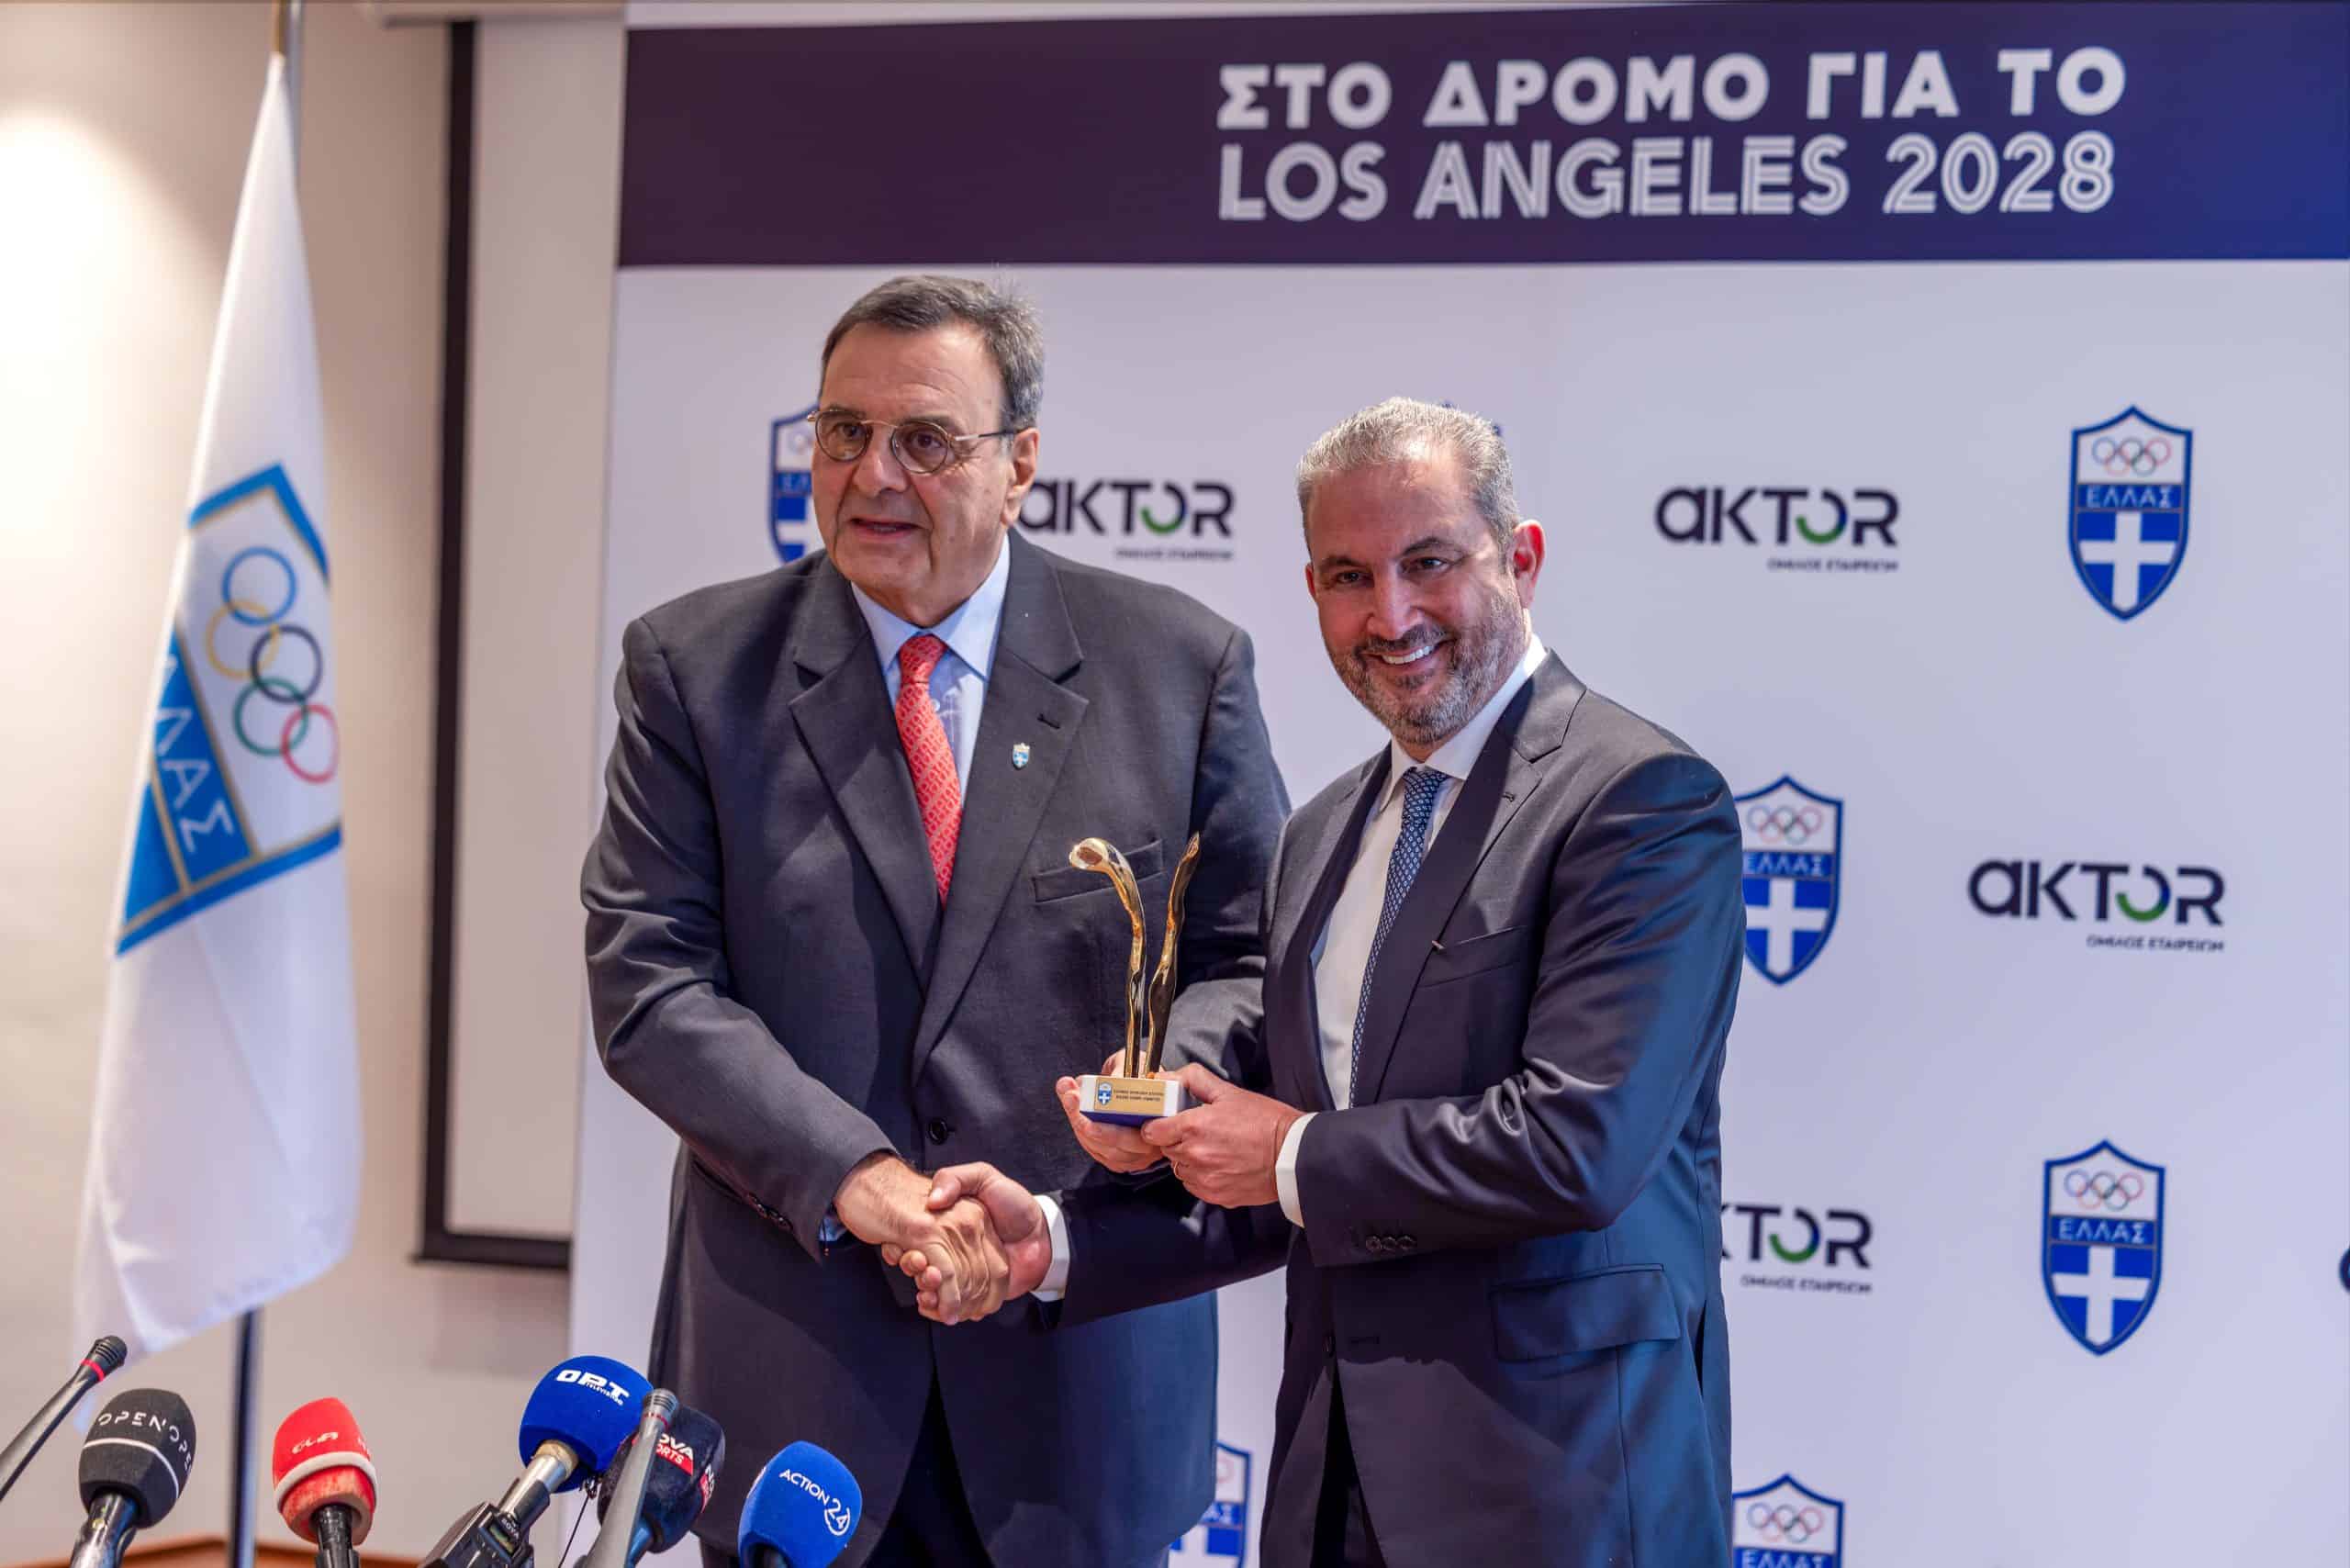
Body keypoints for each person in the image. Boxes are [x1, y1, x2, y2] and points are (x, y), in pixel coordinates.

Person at [899, 397, 1744, 1566]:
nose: (1390, 615)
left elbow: (1577, 1145)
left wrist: (1288, 1151)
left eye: (1429, 561)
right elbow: (1291, 1179)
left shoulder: (1640, 802)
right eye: (1350, 576)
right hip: (1330, 1484)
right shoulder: (1322, 833)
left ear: (1522, 559)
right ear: (1311, 591)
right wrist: (1056, 1237)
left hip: (1563, 1492)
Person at [581, 274, 1286, 1568]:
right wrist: (862, 1181)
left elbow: (1249, 962)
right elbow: (650, 983)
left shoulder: (1179, 668)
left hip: (1077, 1368)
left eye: (925, 440)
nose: (873, 474)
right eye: (843, 432)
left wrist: (1159, 1097)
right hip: (797, 1378)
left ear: (1021, 464)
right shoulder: (695, 670)